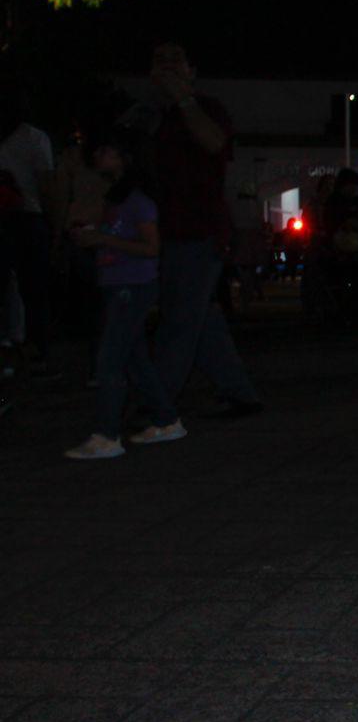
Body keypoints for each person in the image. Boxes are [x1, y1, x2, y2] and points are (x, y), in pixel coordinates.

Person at [144, 42, 263, 418]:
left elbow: (214, 142)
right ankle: (238, 390)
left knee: (180, 321)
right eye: (159, 61)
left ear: (190, 71)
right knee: (199, 316)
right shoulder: (150, 117)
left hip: (199, 229)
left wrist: (185, 100)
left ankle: (158, 405)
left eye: (175, 61)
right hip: (164, 230)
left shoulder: (206, 109)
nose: (167, 68)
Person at [64, 135, 183, 459]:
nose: (99, 157)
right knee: (134, 359)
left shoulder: (138, 201)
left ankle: (107, 434)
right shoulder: (117, 199)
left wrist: (102, 238)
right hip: (118, 282)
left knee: (110, 359)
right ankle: (165, 419)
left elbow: (151, 248)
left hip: (133, 285)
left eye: (106, 150)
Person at [0, 78, 57, 375]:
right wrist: (53, 219)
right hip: (27, 215)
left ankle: (9, 345)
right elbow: (46, 185)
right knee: (34, 288)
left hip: (12, 216)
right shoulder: (34, 138)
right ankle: (37, 349)